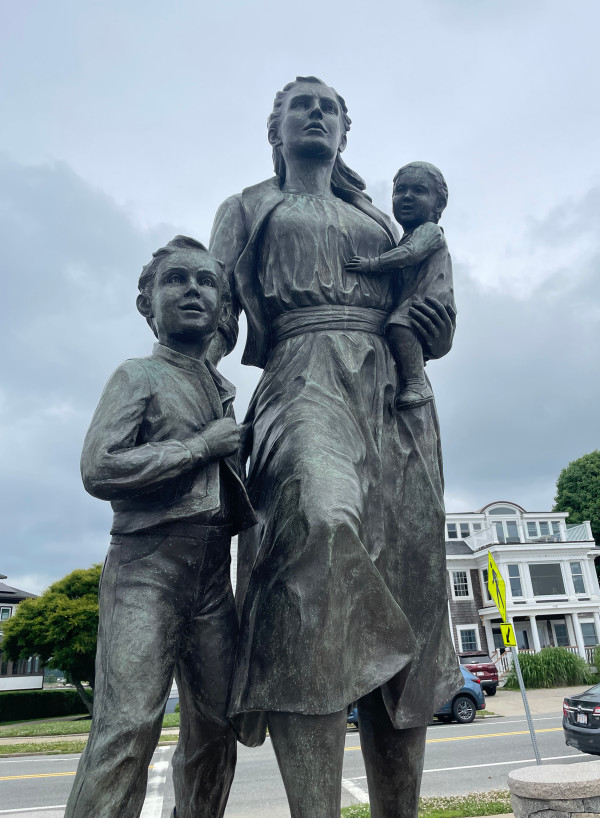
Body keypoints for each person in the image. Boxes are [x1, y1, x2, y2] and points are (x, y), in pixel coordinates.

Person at [209, 77, 462, 818]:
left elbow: (435, 305)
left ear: (344, 134)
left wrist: (434, 317)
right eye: (302, 105)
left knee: (410, 584)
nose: (316, 114)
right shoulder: (252, 206)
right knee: (319, 532)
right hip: (302, 370)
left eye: (330, 108)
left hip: (393, 393)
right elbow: (212, 311)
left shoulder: (381, 218)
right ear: (276, 130)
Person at [64, 236, 255, 818]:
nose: (193, 289)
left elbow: (240, 310)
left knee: (217, 727)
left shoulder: (216, 384)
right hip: (146, 567)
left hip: (212, 576)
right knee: (127, 728)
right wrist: (200, 447)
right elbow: (99, 468)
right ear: (147, 303)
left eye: (206, 281)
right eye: (176, 280)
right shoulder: (139, 375)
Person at [346, 161, 455, 410]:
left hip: (428, 300)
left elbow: (409, 254)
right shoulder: (404, 236)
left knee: (399, 325)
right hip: (412, 301)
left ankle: (417, 383)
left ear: (438, 204)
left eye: (418, 190)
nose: (407, 196)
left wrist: (373, 264)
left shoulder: (430, 231)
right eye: (400, 190)